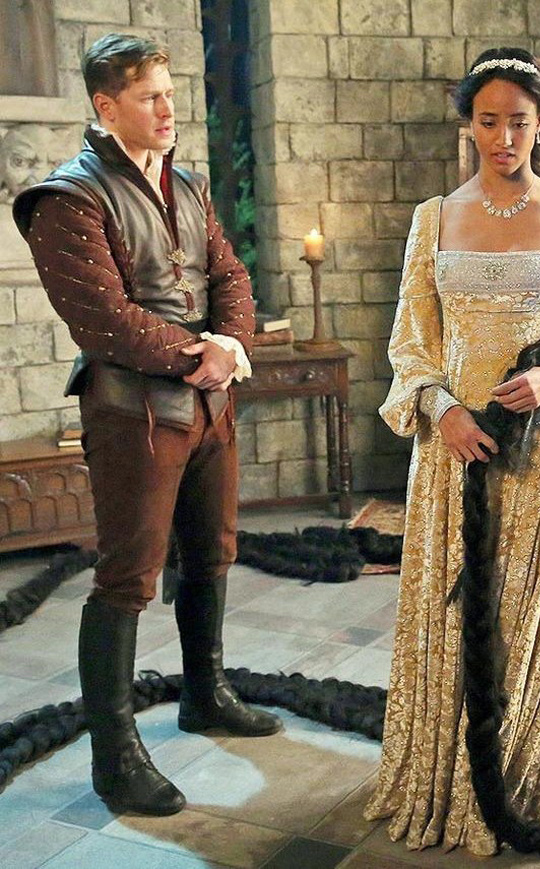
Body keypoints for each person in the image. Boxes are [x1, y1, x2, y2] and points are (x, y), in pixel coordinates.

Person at [13, 33, 281, 818]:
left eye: (169, 92)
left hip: (209, 403)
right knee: (127, 577)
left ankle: (206, 692)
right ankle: (116, 757)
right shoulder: (68, 198)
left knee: (213, 553)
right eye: (149, 97)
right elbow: (102, 318)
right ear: (106, 106)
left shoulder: (188, 184)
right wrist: (204, 355)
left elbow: (230, 274)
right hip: (132, 411)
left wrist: (231, 345)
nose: (168, 109)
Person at [363, 47, 540, 856]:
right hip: (453, 451)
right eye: (489, 120)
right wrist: (441, 410)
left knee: (524, 614)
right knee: (454, 614)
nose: (504, 137)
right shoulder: (433, 217)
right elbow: (410, 342)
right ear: (468, 124)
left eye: (519, 122)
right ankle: (442, 781)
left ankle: (518, 782)